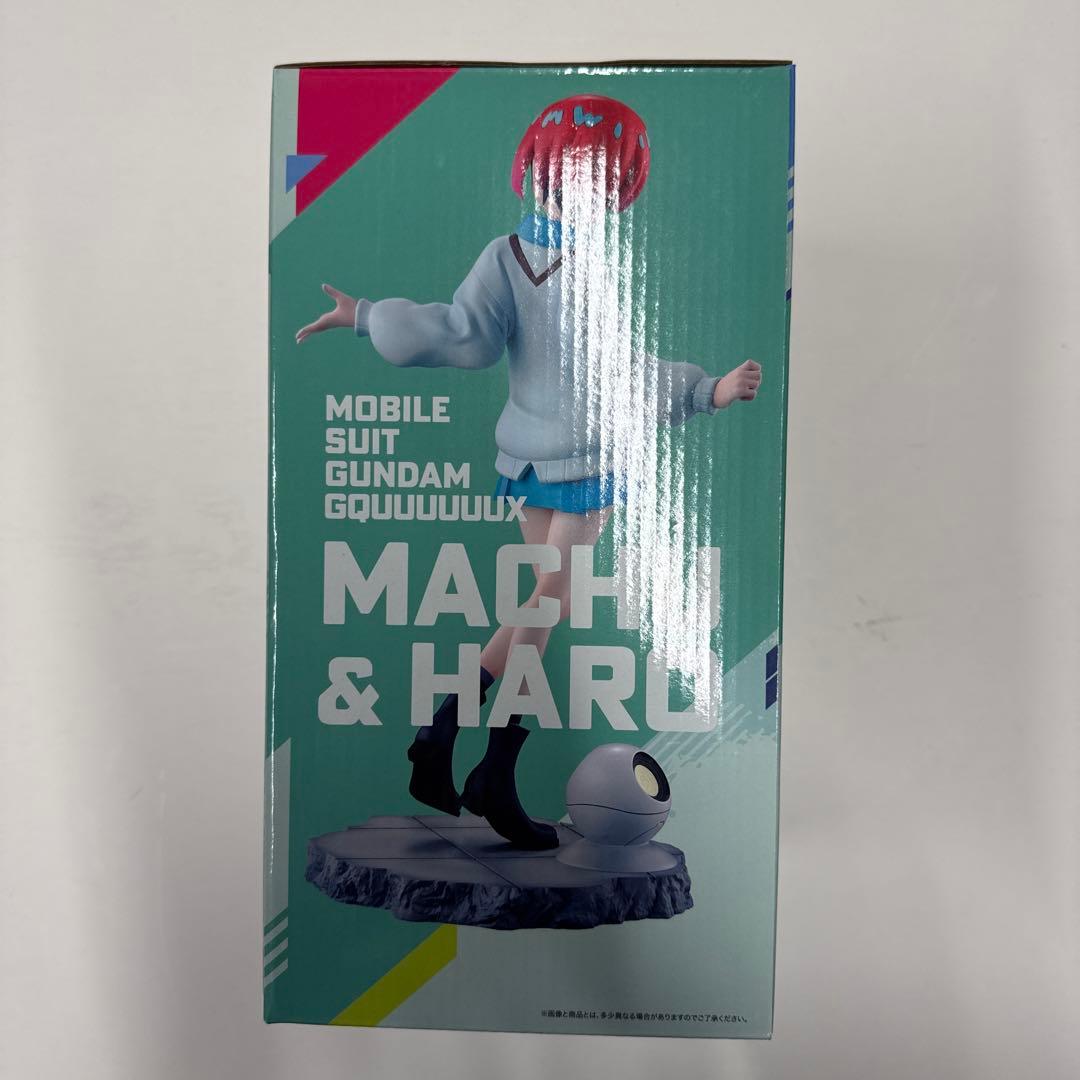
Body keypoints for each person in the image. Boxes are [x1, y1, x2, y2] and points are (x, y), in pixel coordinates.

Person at [297, 93, 762, 849]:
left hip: (527, 459)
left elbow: (467, 337)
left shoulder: (510, 256)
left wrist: (368, 315)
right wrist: (705, 390)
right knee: (548, 606)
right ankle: (484, 760)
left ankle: (450, 738)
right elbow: (606, 371)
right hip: (580, 464)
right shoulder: (582, 268)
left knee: (540, 606)